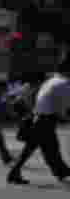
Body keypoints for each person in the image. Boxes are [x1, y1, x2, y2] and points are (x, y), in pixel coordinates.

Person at [8, 54, 70, 185]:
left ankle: (62, 172)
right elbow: (63, 107)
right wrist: (64, 117)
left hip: (39, 119)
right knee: (44, 149)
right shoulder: (63, 83)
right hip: (45, 121)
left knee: (47, 149)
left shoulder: (50, 81)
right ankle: (13, 173)